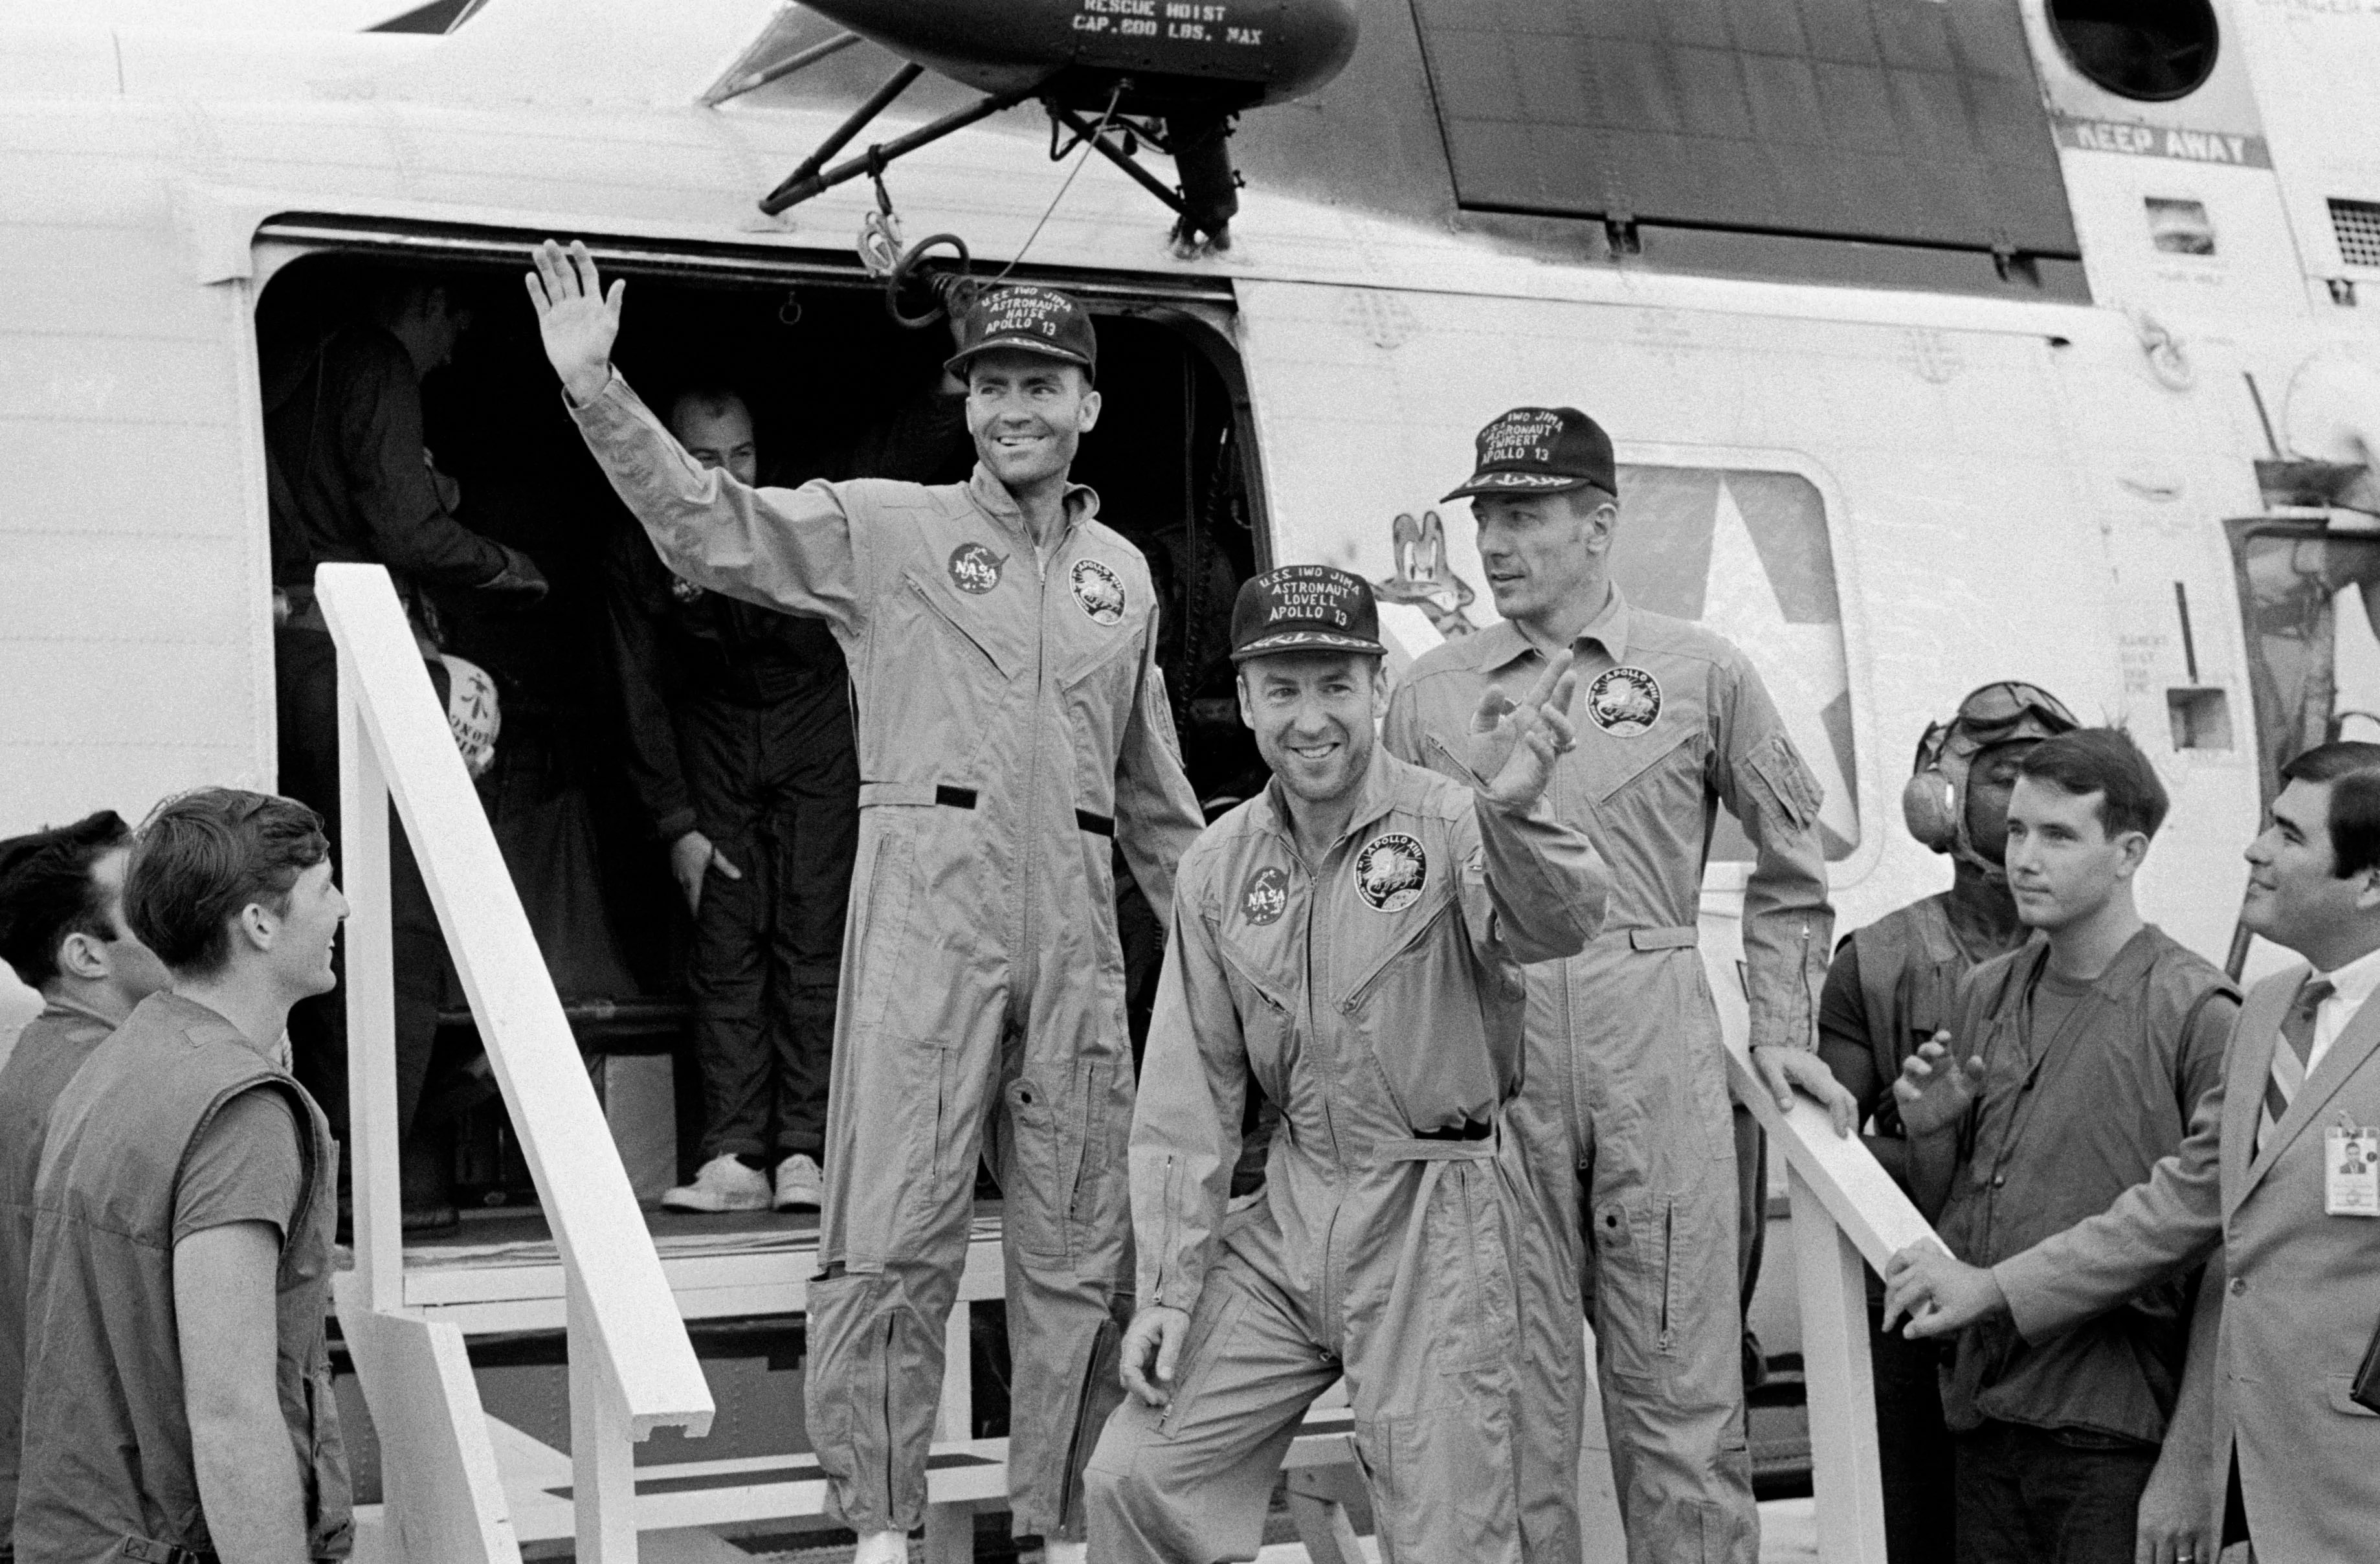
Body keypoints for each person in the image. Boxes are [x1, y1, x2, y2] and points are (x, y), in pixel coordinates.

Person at [526, 240, 1205, 1564]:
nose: (1012, 407)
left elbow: (1157, 800)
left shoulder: (1121, 574)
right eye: (990, 383)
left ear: (1087, 405)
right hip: (921, 925)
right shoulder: (887, 526)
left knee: (1079, 1255)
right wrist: (599, 392)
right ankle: (882, 1531)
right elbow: (713, 528)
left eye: (1039, 383)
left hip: (1070, 942)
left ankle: (1057, 1525)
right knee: (886, 1240)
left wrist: (1258, 969)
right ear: (963, 401)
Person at [1383, 406, 1850, 1564]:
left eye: (1525, 515)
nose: (1495, 542)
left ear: (1599, 526)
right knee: (1514, 1415)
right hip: (1494, 1053)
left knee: (1683, 1403)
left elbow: (1796, 858)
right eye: (1486, 515)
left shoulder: (1700, 670)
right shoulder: (1430, 694)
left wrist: (1784, 1023)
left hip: (1655, 1039)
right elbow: (1386, 898)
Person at [1085, 566, 1610, 1561]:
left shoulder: (1454, 820)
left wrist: (1514, 813)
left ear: (1378, 688)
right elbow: (1186, 1101)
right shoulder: (1216, 867)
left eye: (1335, 684)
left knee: (1449, 1533)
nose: (1309, 718)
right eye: (1281, 690)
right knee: (1134, 1476)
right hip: (1292, 1215)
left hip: (1438, 1221)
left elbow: (1562, 920)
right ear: (1245, 702)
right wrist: (1165, 1287)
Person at [1887, 739, 2380, 1564]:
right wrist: (1996, 1287)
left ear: (2369, 882)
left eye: (2290, 836)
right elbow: (2185, 1206)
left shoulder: (2195, 1007)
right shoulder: (2268, 1014)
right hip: (2267, 1486)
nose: (2254, 848)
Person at [264, 271, 546, 1225]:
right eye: (454, 325)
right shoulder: (376, 356)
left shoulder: (288, 358)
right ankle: (364, 1179)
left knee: (317, 911)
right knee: (401, 927)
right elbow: (404, 525)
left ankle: (323, 1162)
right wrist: (511, 567)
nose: (452, 349)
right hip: (356, 653)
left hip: (285, 653)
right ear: (426, 303)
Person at [14, 788, 351, 1563]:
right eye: (324, 887)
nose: (342, 906)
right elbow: (232, 1411)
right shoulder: (239, 1111)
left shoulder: (114, 1065)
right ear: (260, 924)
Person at [1815, 681, 2078, 1563]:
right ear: (1944, 796)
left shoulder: (2125, 971)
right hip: (1921, 1321)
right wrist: (1935, 1143)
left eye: (2053, 781)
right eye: (2006, 776)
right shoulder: (1876, 963)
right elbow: (1834, 1164)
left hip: (2076, 1316)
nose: (2029, 805)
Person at [605, 386, 859, 1213]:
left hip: (812, 722)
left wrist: (945, 392)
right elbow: (635, 686)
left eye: (740, 456)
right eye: (704, 460)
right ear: (673, 454)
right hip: (708, 729)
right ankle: (732, 1154)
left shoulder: (801, 515)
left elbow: (892, 460)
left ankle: (807, 1153)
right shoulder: (641, 532)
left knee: (814, 934)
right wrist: (674, 822)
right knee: (723, 940)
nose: (726, 476)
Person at [0, 811, 173, 1561]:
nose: (181, 910)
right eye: (150, 902)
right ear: (85, 955)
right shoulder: (111, 1092)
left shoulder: (42, 1063)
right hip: (104, 1519)